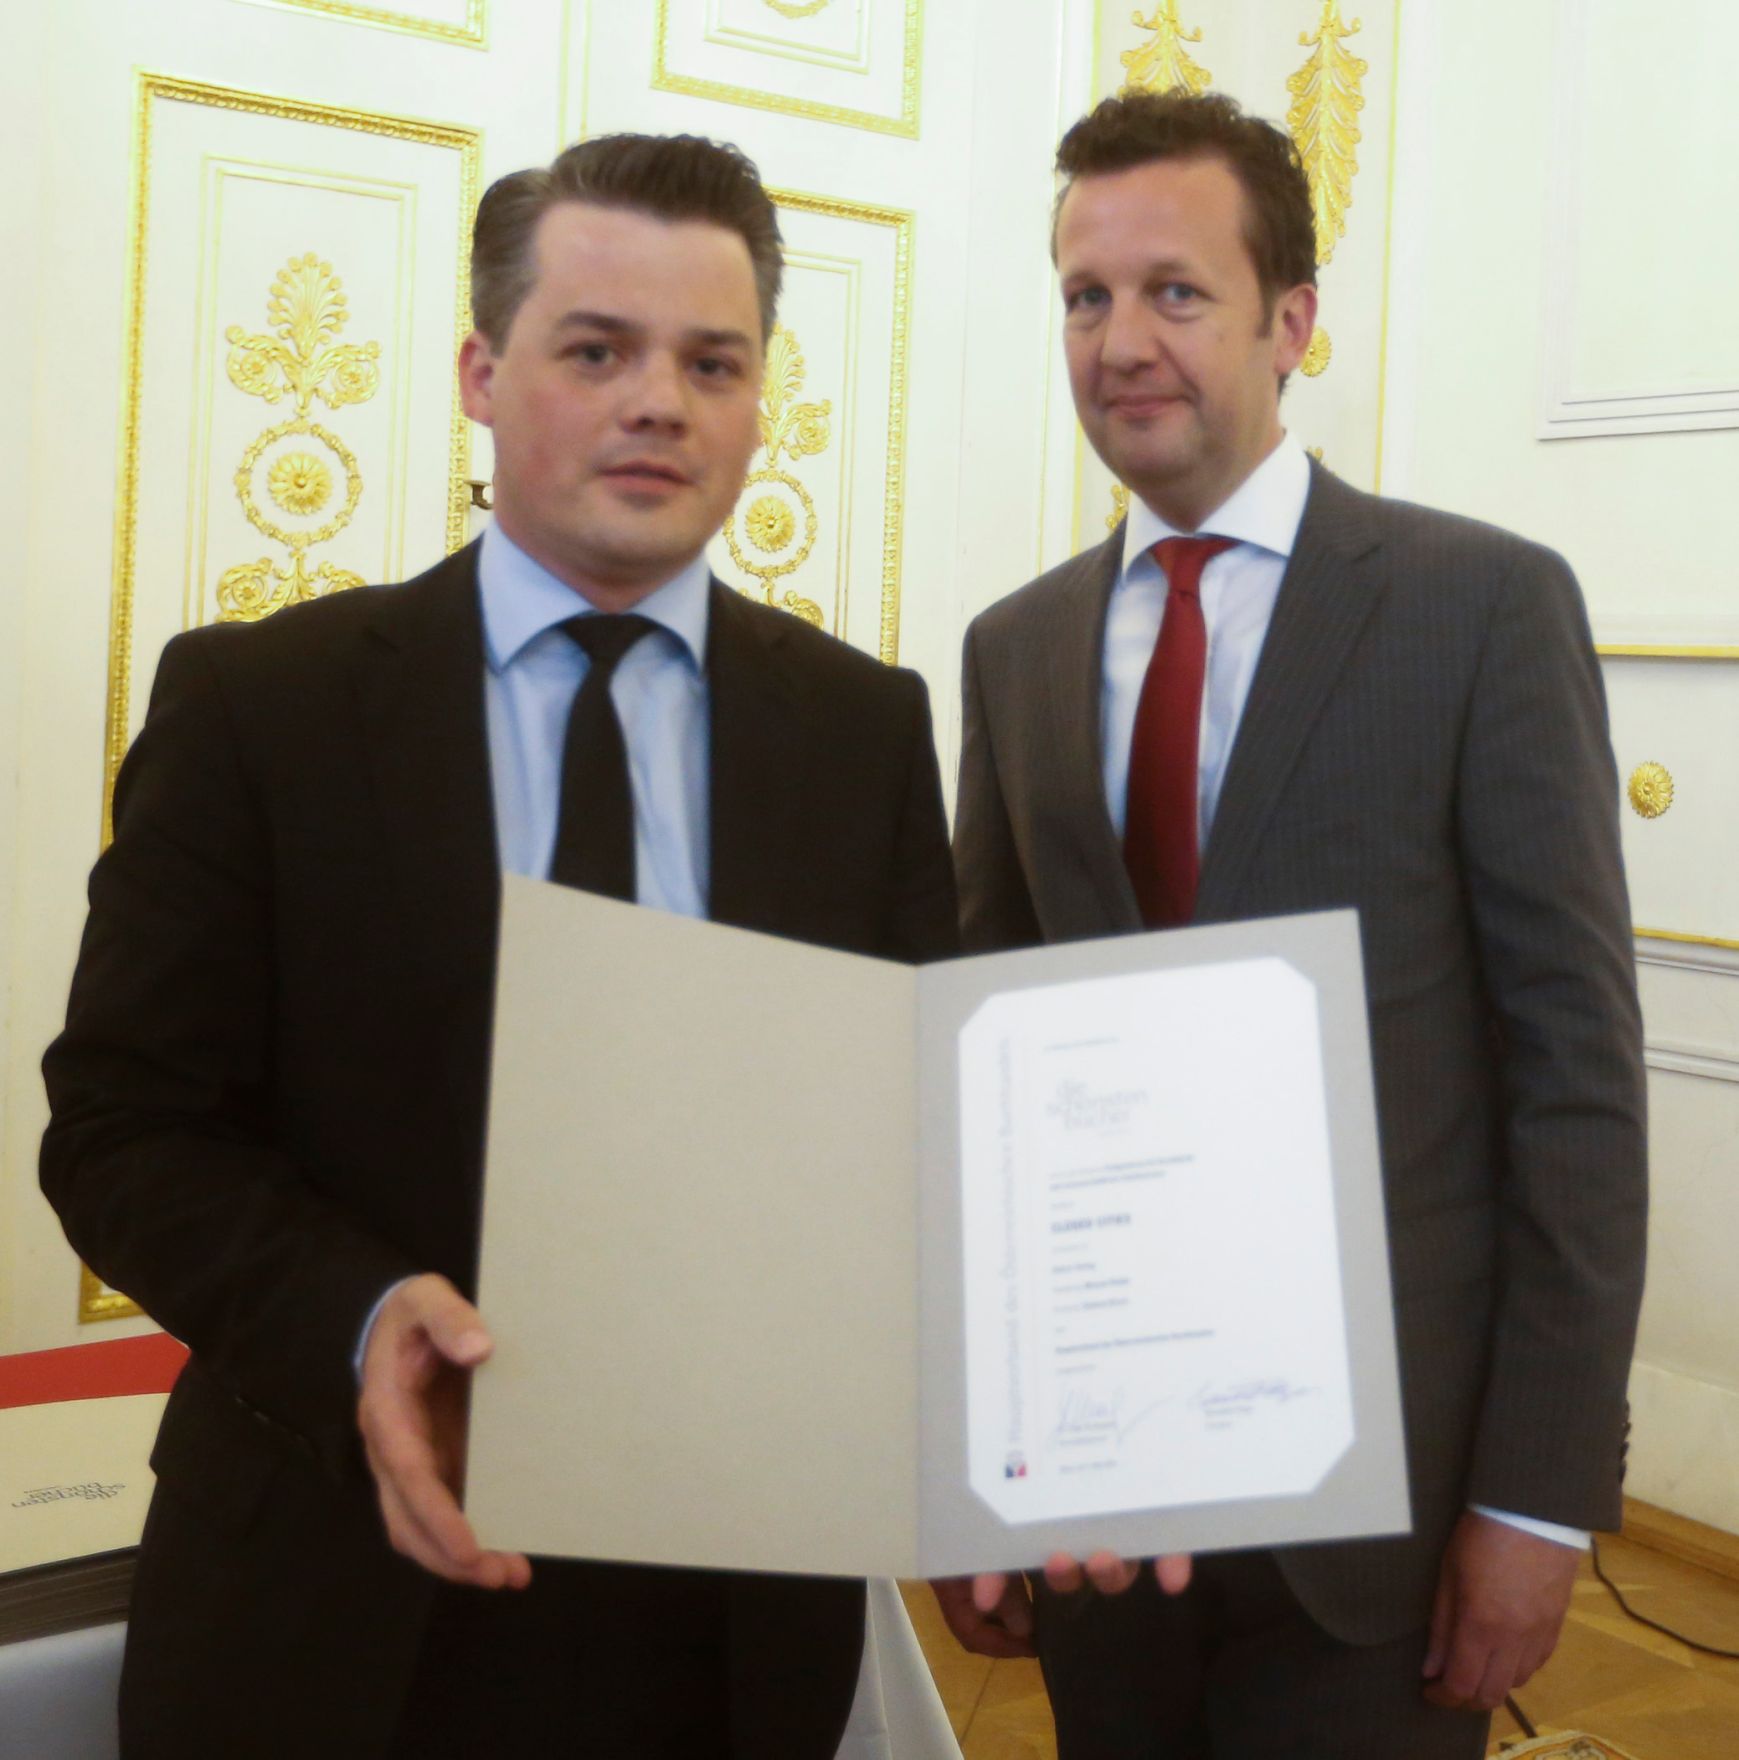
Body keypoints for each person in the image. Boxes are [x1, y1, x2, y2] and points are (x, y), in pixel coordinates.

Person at [41, 131, 955, 1760]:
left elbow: (905, 1139)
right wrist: (362, 1311)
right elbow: (124, 1132)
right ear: (481, 370)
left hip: (731, 1618)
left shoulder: (864, 732)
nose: (657, 399)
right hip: (332, 1594)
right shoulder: (266, 709)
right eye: (596, 348)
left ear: (759, 401)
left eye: (711, 360)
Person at [937, 90, 1646, 1760]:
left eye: (1175, 291)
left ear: (1294, 321)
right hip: (1103, 1507)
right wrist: (970, 1456)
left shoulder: (1481, 607)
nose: (1121, 341)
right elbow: (980, 1086)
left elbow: (1576, 1086)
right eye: (1084, 296)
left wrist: (1538, 1504)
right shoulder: (1016, 649)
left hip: (1386, 1519)